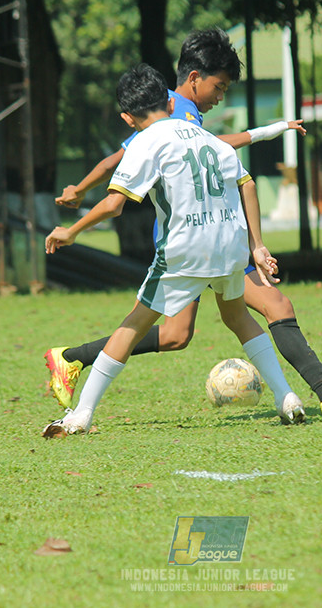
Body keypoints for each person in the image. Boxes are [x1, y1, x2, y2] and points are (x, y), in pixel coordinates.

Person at [47, 28, 322, 420]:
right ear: (192, 79)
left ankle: (75, 378)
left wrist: (74, 218)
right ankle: (320, 395)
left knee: (168, 330)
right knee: (243, 313)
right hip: (209, 234)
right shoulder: (175, 114)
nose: (221, 95)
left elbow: (121, 184)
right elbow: (124, 162)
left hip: (193, 239)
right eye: (219, 86)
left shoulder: (173, 120)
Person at [42, 63, 305, 435]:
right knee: (237, 317)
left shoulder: (145, 142)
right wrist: (257, 246)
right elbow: (246, 183)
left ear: (127, 118)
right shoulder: (208, 137)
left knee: (134, 324)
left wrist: (71, 231)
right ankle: (286, 396)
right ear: (169, 102)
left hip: (185, 250)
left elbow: (114, 205)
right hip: (230, 245)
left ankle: (81, 415)